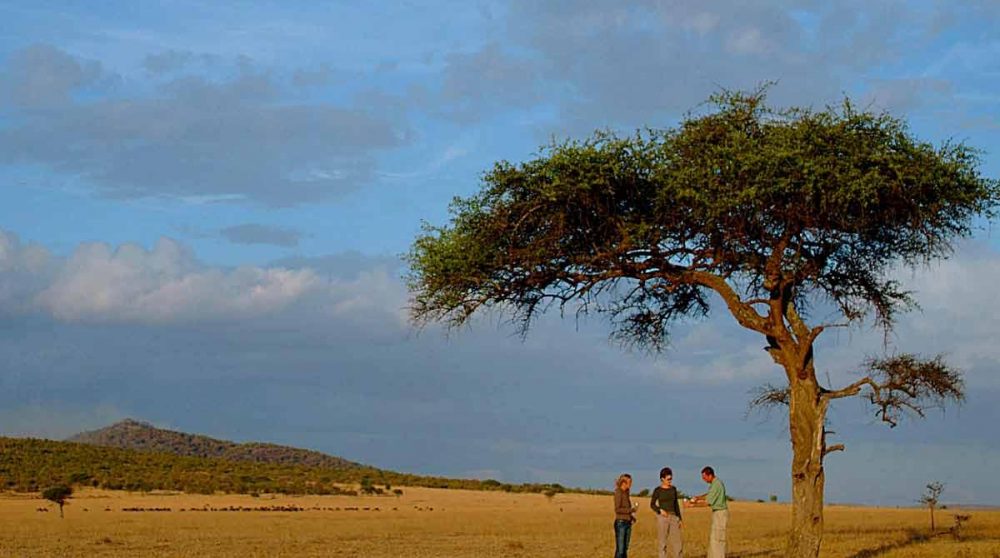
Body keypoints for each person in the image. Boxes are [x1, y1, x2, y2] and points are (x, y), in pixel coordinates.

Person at [689, 466, 728, 558]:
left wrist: (692, 505)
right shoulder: (715, 484)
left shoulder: (716, 484)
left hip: (720, 513)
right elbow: (709, 494)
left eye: (704, 477)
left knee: (718, 539)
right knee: (714, 539)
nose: (704, 479)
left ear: (710, 475)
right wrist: (698, 498)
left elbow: (708, 503)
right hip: (717, 513)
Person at [650, 467, 683, 558]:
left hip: (673, 517)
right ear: (662, 479)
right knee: (662, 542)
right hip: (662, 518)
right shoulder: (658, 490)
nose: (670, 481)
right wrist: (659, 510)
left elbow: (676, 504)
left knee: (678, 543)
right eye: (668, 479)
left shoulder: (673, 489)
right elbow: (652, 504)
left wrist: (679, 518)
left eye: (671, 478)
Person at [613, 473, 637, 558]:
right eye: (629, 482)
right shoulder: (618, 492)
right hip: (621, 523)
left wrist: (631, 517)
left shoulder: (626, 493)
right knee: (620, 549)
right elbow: (617, 509)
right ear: (624, 482)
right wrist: (631, 510)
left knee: (624, 549)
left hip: (627, 523)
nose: (631, 484)